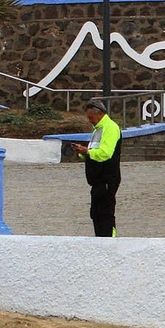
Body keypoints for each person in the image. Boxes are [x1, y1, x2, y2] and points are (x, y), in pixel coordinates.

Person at [71, 100, 121, 237]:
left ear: (99, 114)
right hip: (97, 180)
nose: (89, 121)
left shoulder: (110, 128)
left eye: (91, 117)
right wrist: (83, 153)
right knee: (96, 213)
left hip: (107, 178)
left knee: (105, 213)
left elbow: (105, 153)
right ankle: (99, 240)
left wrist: (87, 152)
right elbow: (94, 152)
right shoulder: (98, 129)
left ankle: (109, 240)